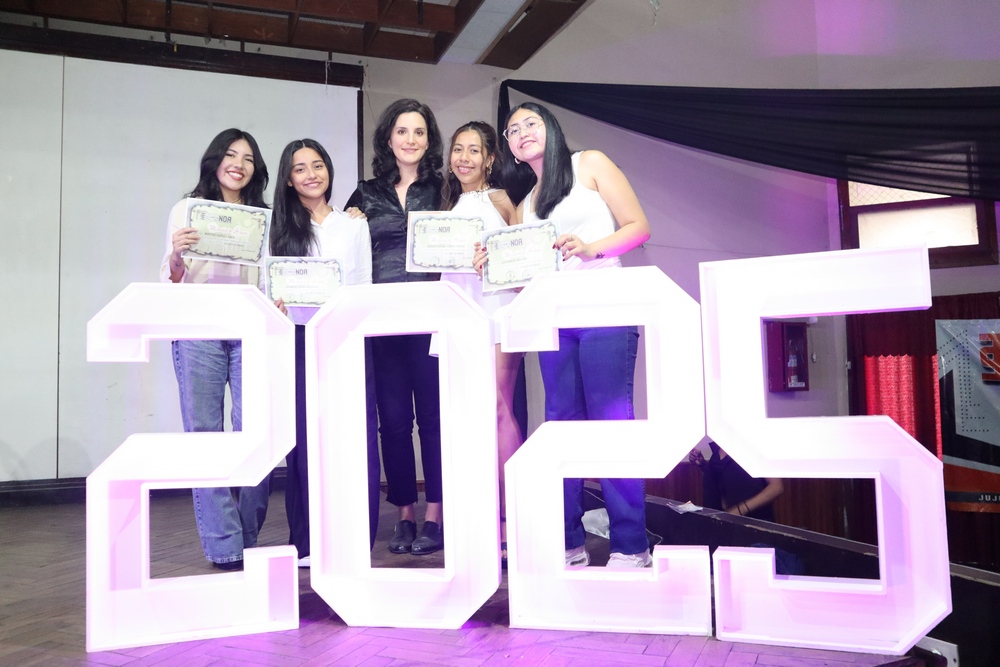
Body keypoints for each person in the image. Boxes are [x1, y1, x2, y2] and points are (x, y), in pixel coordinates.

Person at [490, 102, 653, 568]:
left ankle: (631, 545)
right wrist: (494, 268)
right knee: (560, 425)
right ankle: (569, 542)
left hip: (605, 308)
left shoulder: (590, 164)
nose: (522, 132)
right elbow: (529, 279)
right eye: (513, 130)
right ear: (512, 149)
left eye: (531, 123)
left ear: (552, 129)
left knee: (610, 424)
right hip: (555, 319)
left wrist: (591, 249)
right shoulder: (526, 204)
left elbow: (639, 227)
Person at [159, 128, 276, 571]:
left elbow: (270, 277)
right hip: (198, 329)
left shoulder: (264, 218)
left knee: (256, 436)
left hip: (251, 330)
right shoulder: (187, 209)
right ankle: (225, 546)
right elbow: (171, 275)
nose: (238, 165)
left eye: (248, 158)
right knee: (205, 437)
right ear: (215, 160)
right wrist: (176, 255)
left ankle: (247, 537)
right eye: (231, 155)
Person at [269, 138, 380, 567]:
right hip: (297, 340)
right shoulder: (280, 227)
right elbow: (268, 286)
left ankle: (356, 539)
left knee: (354, 438)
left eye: (318, 165)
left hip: (347, 340)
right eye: (300, 168)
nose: (311, 174)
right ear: (289, 179)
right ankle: (307, 541)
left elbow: (365, 284)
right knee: (303, 440)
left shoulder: (353, 224)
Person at [345, 99, 446, 555]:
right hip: (381, 323)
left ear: (429, 140)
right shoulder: (365, 194)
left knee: (434, 421)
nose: (410, 140)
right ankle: (404, 513)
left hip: (433, 319)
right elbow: (342, 246)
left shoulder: (444, 190)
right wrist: (349, 223)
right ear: (388, 138)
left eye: (419, 132)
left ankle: (435, 515)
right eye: (402, 131)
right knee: (393, 423)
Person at [441, 121, 520, 565]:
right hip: (456, 312)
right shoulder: (448, 204)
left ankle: (511, 519)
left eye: (474, 150)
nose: (464, 158)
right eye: (458, 149)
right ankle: (481, 519)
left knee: (497, 408)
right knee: (468, 417)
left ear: (490, 158)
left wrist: (494, 262)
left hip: (495, 309)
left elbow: (523, 257)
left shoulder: (502, 200)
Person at [689, 441, 784, 522]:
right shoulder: (717, 450)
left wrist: (738, 511)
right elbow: (727, 479)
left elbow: (776, 487)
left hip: (754, 527)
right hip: (722, 527)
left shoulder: (756, 445)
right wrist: (703, 464)